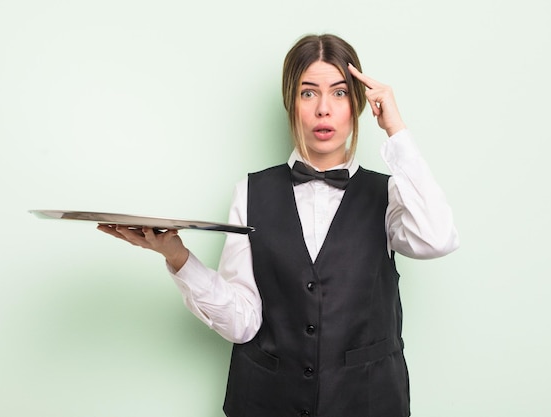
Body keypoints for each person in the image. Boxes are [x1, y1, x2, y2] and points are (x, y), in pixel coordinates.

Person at [98, 33, 459, 417]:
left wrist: (396, 131)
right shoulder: (250, 192)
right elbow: (242, 323)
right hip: (265, 403)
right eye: (308, 93)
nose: (323, 109)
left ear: (356, 104)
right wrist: (177, 256)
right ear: (291, 103)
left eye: (338, 93)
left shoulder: (387, 194)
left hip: (368, 402)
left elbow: (437, 238)